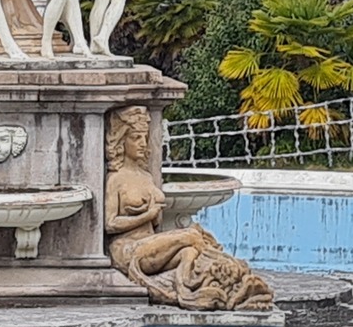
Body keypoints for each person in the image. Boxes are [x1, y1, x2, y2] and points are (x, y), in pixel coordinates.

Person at [102, 106, 273, 311]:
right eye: (136, 138)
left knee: (190, 251)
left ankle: (188, 289)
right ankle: (232, 274)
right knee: (191, 236)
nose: (143, 143)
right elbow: (110, 224)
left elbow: (156, 223)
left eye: (144, 137)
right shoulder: (116, 179)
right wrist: (147, 214)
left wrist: (152, 216)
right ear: (122, 141)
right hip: (127, 250)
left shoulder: (146, 176)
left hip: (149, 244)